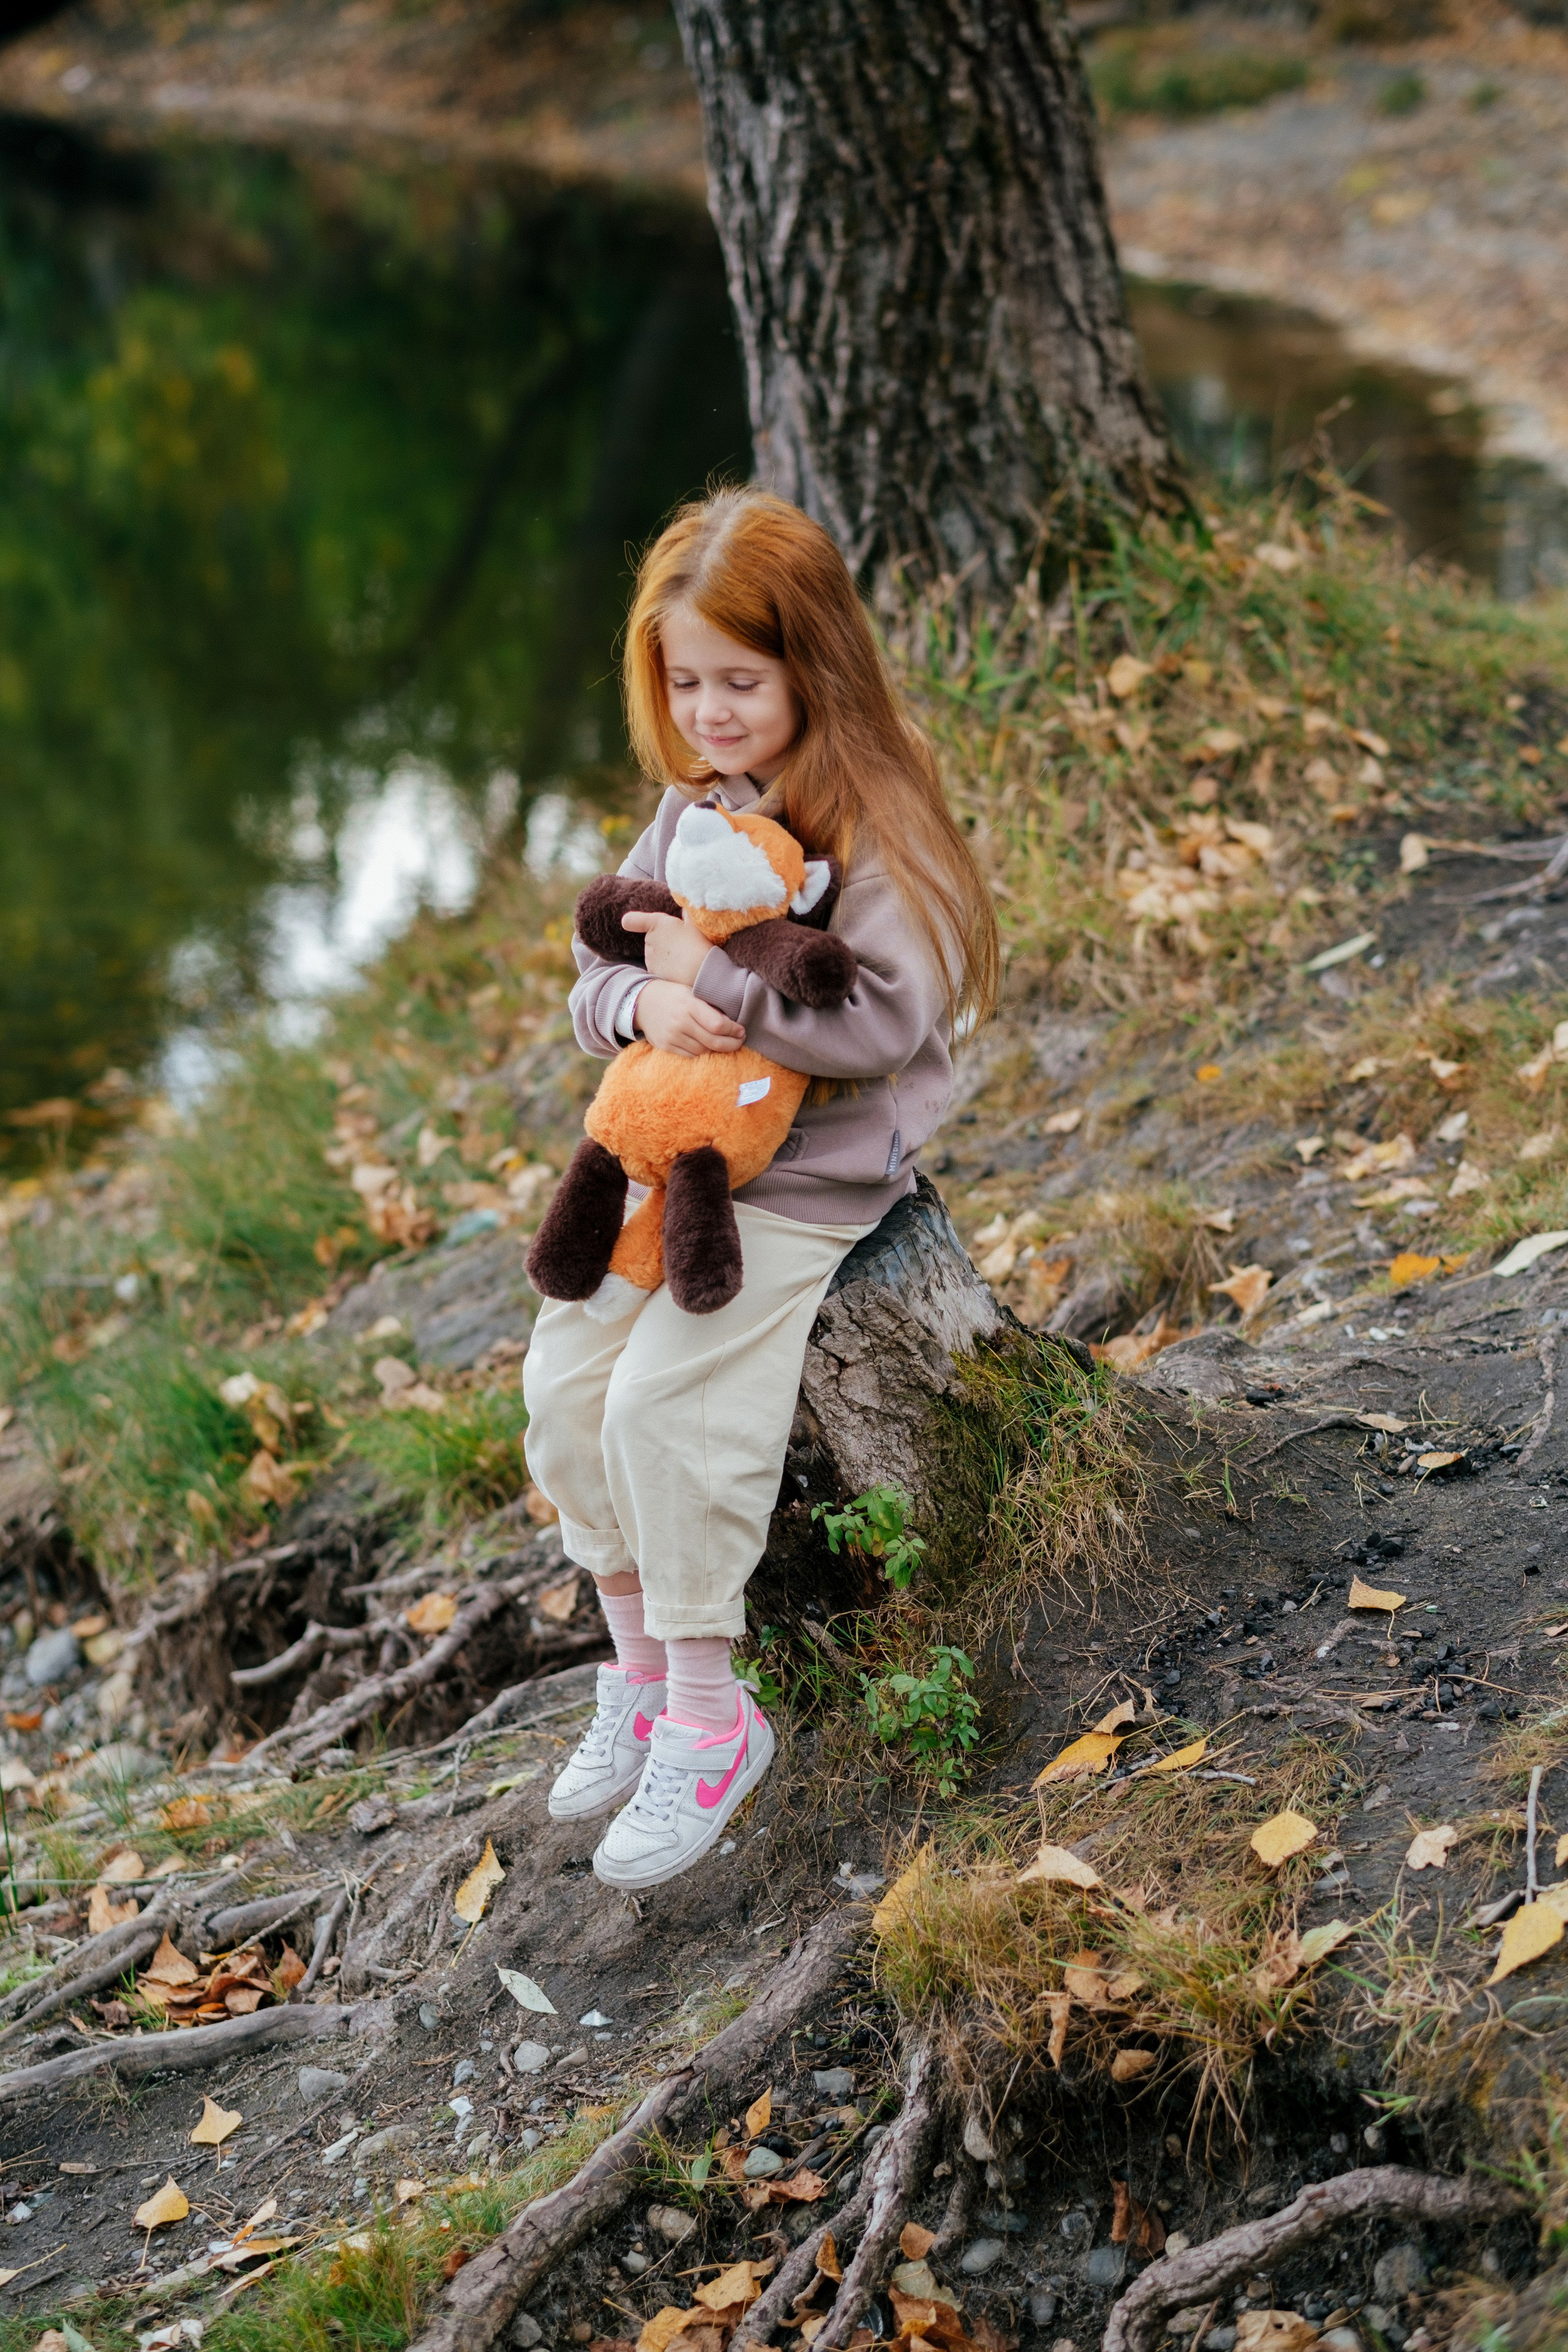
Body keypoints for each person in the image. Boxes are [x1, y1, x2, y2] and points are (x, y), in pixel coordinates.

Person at [521, 485, 998, 1891]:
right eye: (685, 681)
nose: (712, 712)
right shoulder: (693, 805)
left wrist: (709, 977)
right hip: (679, 1158)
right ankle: (641, 1683)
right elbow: (601, 962)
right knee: (565, 1386)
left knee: (670, 1400)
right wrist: (636, 1008)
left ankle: (718, 1722)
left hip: (808, 1182)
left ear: (813, 665)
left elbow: (876, 1025)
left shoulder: (875, 823)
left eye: (743, 680)